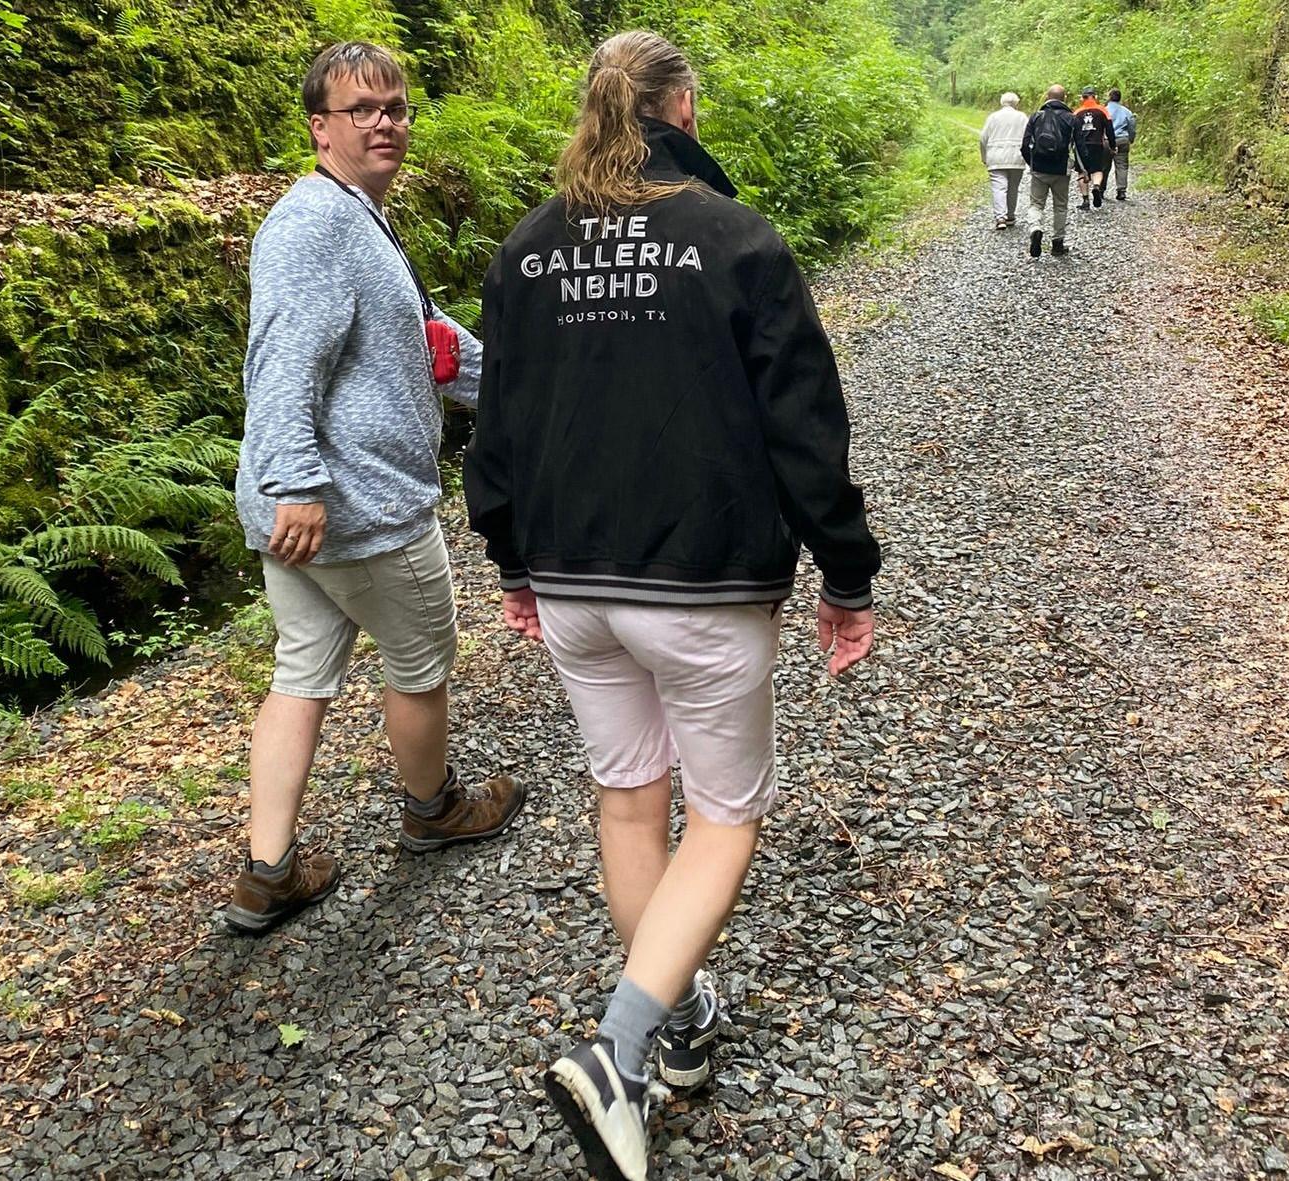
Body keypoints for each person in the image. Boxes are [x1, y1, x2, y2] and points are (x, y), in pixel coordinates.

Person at [464, 29, 880, 1181]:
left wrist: (509, 561)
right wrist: (845, 573)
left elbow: (494, 430)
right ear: (682, 109)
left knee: (628, 806)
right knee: (726, 816)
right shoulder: (735, 240)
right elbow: (806, 425)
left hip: (574, 588)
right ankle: (618, 1051)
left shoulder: (524, 250)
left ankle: (681, 1019)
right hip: (702, 584)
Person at [227, 41, 526, 936]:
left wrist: (517, 382)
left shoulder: (358, 215)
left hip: (310, 516)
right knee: (421, 662)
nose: (385, 123)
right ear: (320, 127)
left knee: (301, 671)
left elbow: (421, 339)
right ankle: (433, 811)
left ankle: (268, 871)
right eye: (362, 110)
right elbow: (284, 357)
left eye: (394, 107)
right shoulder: (315, 223)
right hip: (354, 510)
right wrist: (298, 481)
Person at [1022, 85, 1078, 257]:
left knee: (1036, 204)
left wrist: (1032, 163)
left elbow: (1025, 144)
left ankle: (1035, 228)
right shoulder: (1070, 118)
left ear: (1047, 97)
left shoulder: (1036, 116)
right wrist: (1083, 169)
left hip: (1039, 168)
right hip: (1061, 169)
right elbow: (1079, 146)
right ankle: (1057, 243)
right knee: (1060, 206)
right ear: (1065, 98)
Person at [979, 92, 1030, 231]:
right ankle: (1010, 215)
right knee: (1013, 188)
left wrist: (984, 156)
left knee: (999, 187)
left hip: (995, 156)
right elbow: (1028, 137)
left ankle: (1000, 217)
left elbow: (983, 138)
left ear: (1002, 102)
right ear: (1016, 103)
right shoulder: (1022, 117)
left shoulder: (993, 117)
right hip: (1016, 156)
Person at [1072, 86, 1118, 209]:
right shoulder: (1103, 110)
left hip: (1081, 146)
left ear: (1082, 98)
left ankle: (1085, 200)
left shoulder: (1077, 113)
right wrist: (1113, 146)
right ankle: (1096, 186)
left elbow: (1072, 131)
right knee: (1097, 170)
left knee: (1082, 171)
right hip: (1097, 144)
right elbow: (1110, 130)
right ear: (1095, 97)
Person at [1106, 88, 1137, 200]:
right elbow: (1132, 127)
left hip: (1107, 141)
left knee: (1105, 165)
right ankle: (1121, 190)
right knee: (1122, 165)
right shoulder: (1126, 111)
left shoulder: (1104, 110)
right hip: (1122, 139)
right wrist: (1131, 139)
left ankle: (1101, 188)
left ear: (1109, 97)